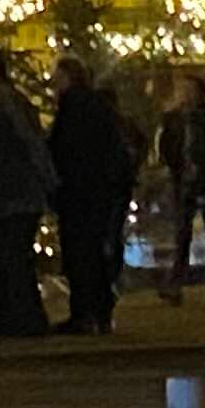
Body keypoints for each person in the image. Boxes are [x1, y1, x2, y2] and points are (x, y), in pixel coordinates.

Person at [47, 54, 139, 332]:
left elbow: (66, 150)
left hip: (79, 191)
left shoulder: (73, 108)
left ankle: (85, 313)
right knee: (93, 252)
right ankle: (99, 311)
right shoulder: (98, 107)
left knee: (81, 253)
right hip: (97, 191)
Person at [0, 52, 55, 334]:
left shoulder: (3, 105)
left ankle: (23, 316)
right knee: (10, 256)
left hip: (13, 193)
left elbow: (31, 144)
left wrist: (47, 179)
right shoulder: (4, 103)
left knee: (13, 256)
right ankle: (14, 313)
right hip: (11, 192)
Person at [157, 69, 205, 301]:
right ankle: (176, 284)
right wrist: (174, 167)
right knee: (183, 232)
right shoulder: (175, 119)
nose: (186, 95)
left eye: (190, 90)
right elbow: (167, 146)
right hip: (184, 180)